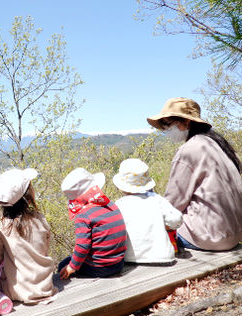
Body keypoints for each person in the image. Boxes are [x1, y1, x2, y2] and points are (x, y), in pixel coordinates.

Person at [147, 97, 242, 251]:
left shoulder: (189, 150)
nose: (166, 130)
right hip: (234, 235)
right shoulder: (217, 144)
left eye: (169, 124)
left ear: (187, 122)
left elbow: (173, 203)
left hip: (208, 237)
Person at [0, 168, 56, 304]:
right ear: (27, 196)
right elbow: (44, 249)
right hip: (45, 286)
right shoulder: (39, 219)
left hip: (15, 290)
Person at [58, 168, 127, 279]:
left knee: (64, 264)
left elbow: (82, 246)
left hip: (100, 267)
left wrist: (72, 267)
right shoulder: (109, 204)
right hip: (119, 262)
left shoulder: (83, 215)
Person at [113, 158, 183, 263]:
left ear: (122, 187)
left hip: (131, 258)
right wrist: (166, 225)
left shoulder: (119, 204)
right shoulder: (157, 199)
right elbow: (176, 218)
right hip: (163, 257)